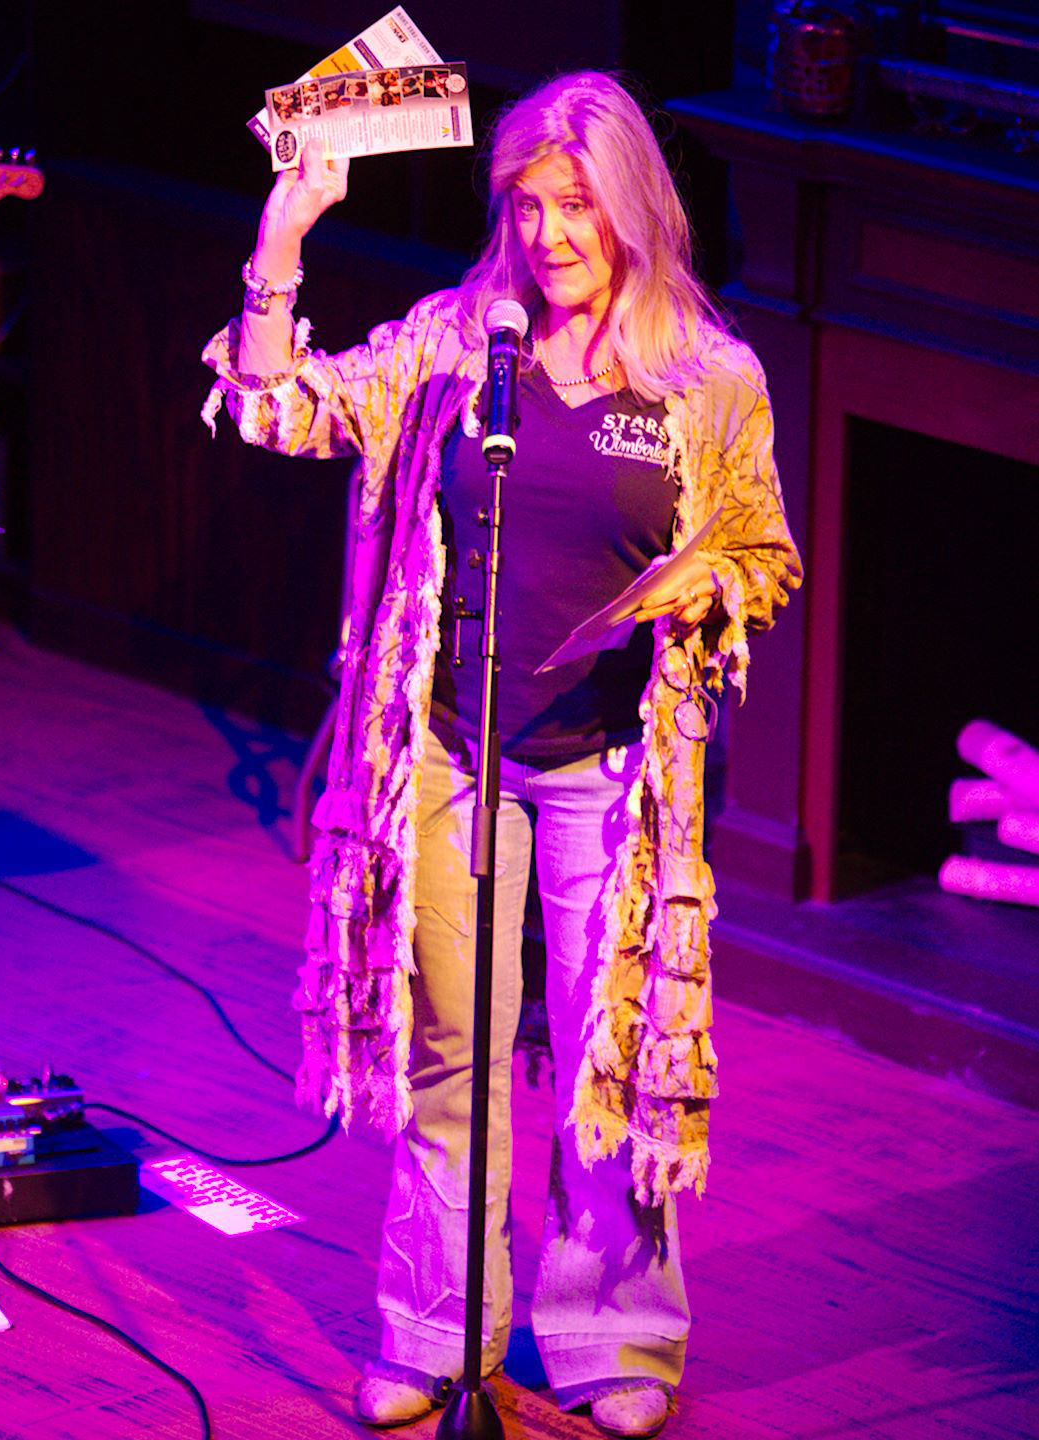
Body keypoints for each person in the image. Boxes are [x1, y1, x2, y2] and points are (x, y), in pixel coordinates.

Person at [202, 71, 801, 1438]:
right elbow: (280, 409)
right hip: (446, 756)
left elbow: (763, 549)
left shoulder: (707, 380)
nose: (548, 234)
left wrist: (704, 587)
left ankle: (613, 1341)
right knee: (444, 1055)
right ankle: (431, 1332)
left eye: (576, 204)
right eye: (526, 206)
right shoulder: (459, 342)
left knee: (604, 1056)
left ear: (634, 207)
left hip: (609, 774)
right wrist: (285, 237)